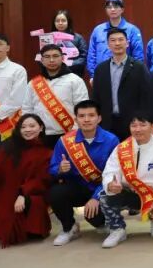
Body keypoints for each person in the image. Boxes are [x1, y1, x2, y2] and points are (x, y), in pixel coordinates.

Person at [98, 113, 153, 248]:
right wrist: (111, 184)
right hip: (129, 192)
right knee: (105, 196)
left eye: (142, 125)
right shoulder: (122, 148)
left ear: (152, 127)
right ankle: (117, 229)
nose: (138, 129)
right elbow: (110, 171)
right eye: (134, 125)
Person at [47, 99, 120, 246]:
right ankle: (69, 228)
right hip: (78, 188)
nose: (86, 119)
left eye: (91, 115)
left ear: (99, 118)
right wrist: (60, 169)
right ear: (76, 119)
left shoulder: (111, 140)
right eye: (82, 116)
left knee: (94, 217)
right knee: (55, 192)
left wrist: (96, 198)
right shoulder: (65, 141)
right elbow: (52, 169)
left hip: (103, 188)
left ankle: (105, 223)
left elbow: (115, 174)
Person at [0, 114, 52, 247]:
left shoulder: (46, 152)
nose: (27, 130)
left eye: (32, 126)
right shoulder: (8, 148)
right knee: (4, 226)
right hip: (6, 193)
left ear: (41, 128)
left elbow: (41, 180)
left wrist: (23, 194)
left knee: (34, 202)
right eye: (23, 127)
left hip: (31, 192)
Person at [90, 27, 153, 138]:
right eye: (113, 40)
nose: (117, 43)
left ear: (127, 43)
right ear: (108, 45)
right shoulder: (100, 69)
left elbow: (146, 97)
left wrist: (145, 121)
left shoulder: (139, 67)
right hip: (106, 123)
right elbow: (96, 98)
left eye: (120, 40)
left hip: (133, 123)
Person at [22, 44, 89, 147]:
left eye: (55, 56)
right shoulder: (33, 83)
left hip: (68, 134)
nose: (51, 60)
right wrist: (29, 129)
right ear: (42, 60)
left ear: (62, 58)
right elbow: (27, 109)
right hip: (39, 136)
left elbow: (82, 108)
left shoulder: (75, 80)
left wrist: (75, 131)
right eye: (47, 57)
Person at [86, 0, 144, 80]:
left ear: (122, 9)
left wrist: (135, 75)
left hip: (126, 75)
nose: (112, 9)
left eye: (116, 7)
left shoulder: (132, 30)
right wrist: (93, 75)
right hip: (101, 75)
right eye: (109, 7)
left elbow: (138, 56)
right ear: (106, 10)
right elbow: (92, 54)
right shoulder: (98, 30)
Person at [51, 9, 88, 77]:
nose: (60, 23)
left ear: (68, 22)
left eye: (63, 20)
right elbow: (42, 56)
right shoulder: (49, 38)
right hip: (53, 75)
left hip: (73, 74)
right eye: (57, 21)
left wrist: (68, 64)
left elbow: (83, 58)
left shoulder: (78, 38)